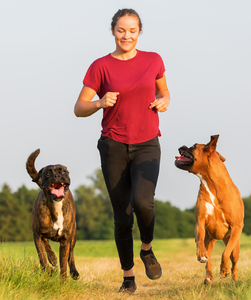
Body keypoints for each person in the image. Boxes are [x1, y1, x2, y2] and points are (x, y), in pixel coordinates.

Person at [74, 8, 170, 294]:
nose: (126, 35)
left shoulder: (154, 60)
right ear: (113, 31)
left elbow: (163, 93)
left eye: (132, 30)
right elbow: (79, 108)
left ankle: (147, 249)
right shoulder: (100, 66)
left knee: (143, 202)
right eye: (121, 30)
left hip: (147, 142)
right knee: (122, 214)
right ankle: (128, 276)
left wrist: (164, 100)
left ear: (139, 32)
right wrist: (100, 102)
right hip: (113, 145)